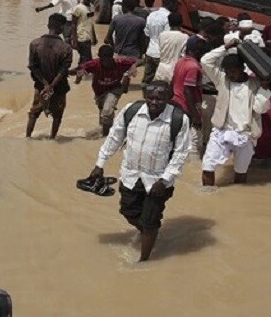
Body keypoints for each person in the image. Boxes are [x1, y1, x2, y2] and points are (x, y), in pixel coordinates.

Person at [87, 80, 191, 262]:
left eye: (160, 98)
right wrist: (100, 164)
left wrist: (164, 180)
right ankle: (150, 232)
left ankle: (144, 261)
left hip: (157, 181)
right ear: (145, 97)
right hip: (131, 176)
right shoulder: (131, 111)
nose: (154, 102)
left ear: (169, 97)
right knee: (128, 212)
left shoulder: (178, 119)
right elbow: (115, 137)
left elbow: (181, 153)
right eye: (150, 97)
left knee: (150, 221)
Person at [199, 36, 271, 185]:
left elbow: (261, 109)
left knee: (241, 171)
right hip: (221, 130)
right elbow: (205, 61)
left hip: (246, 134)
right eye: (227, 71)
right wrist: (225, 47)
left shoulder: (256, 84)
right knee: (208, 166)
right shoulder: (221, 79)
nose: (229, 74)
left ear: (241, 69)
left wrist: (266, 91)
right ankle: (207, 193)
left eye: (232, 71)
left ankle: (239, 196)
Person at [25, 13, 72, 139]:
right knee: (57, 116)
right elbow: (63, 70)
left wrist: (45, 84)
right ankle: (52, 138)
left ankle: (27, 138)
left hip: (40, 87)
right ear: (61, 28)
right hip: (59, 87)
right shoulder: (66, 48)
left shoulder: (34, 44)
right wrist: (51, 85)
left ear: (48, 25)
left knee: (34, 113)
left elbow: (32, 66)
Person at [73, 44, 137, 134]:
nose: (106, 62)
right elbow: (81, 70)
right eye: (103, 60)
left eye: (109, 60)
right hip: (99, 91)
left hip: (115, 89)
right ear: (99, 58)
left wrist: (133, 68)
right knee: (103, 112)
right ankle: (109, 129)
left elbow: (135, 61)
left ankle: (105, 136)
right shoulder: (94, 64)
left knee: (106, 112)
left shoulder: (119, 62)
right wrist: (78, 78)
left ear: (112, 58)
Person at [171, 38, 208, 151]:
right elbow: (188, 91)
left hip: (176, 104)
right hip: (188, 108)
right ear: (197, 51)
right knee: (194, 144)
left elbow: (172, 82)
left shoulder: (180, 62)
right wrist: (196, 116)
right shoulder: (193, 67)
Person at [142, 0, 177, 89]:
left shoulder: (151, 15)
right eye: (175, 4)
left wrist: (146, 50)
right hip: (162, 54)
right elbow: (167, 37)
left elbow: (146, 35)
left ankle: (145, 98)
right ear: (171, 4)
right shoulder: (169, 17)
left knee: (146, 79)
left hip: (150, 51)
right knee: (162, 81)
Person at [154, 13, 189, 82]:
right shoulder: (185, 37)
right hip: (175, 70)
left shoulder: (162, 35)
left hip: (161, 70)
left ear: (169, 23)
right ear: (181, 23)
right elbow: (183, 55)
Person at [70, 0, 97, 64]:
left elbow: (91, 22)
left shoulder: (92, 7)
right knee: (87, 59)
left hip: (88, 37)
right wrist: (74, 39)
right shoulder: (78, 8)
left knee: (84, 59)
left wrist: (94, 36)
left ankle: (78, 73)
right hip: (81, 37)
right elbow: (73, 24)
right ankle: (81, 73)